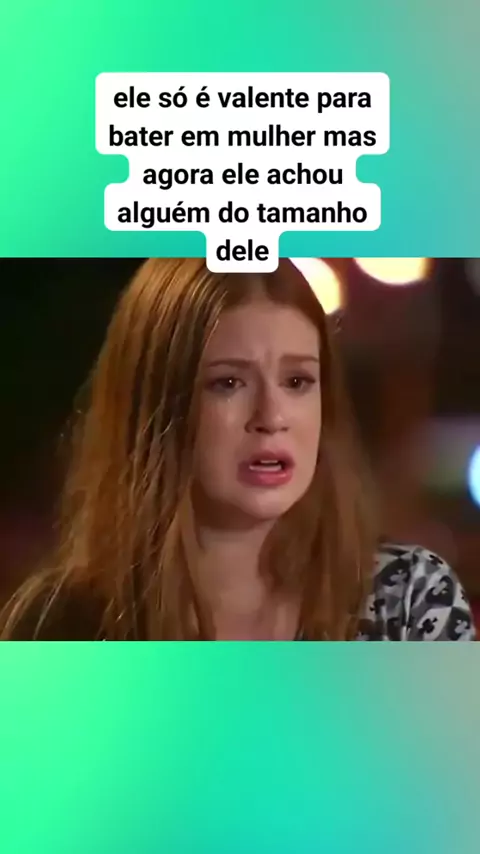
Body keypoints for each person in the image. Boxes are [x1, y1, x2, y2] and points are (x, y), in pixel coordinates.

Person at [0, 258, 475, 641]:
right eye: (228, 382)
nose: (272, 416)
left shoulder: (410, 603)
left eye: (297, 381)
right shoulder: (59, 625)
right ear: (157, 406)